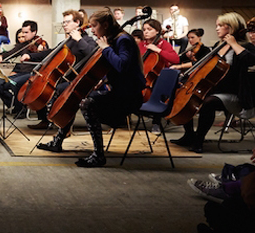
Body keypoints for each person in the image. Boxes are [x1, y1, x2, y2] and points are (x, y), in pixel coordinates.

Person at [43, 9, 145, 167]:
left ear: (105, 25)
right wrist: (104, 79)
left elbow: (122, 66)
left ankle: (98, 155)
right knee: (77, 97)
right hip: (118, 90)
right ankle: (58, 140)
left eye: (94, 26)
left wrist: (105, 48)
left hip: (129, 96)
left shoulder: (123, 39)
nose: (92, 30)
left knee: (87, 103)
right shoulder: (113, 39)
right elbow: (112, 67)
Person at [171, 12, 255, 153]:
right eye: (217, 25)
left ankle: (199, 140)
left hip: (234, 92)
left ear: (232, 28)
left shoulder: (246, 46)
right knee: (186, 96)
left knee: (208, 103)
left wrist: (233, 44)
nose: (217, 29)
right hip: (217, 88)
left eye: (221, 26)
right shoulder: (218, 45)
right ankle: (189, 135)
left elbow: (250, 60)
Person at [28, 10, 95, 131]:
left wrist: (79, 39)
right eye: (63, 22)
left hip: (75, 79)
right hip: (62, 76)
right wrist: (31, 56)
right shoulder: (67, 41)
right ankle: (45, 119)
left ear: (77, 23)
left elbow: (92, 53)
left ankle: (62, 124)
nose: (64, 25)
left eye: (67, 22)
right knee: (39, 87)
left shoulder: (87, 40)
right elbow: (51, 52)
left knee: (58, 89)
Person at [0, 20, 47, 118]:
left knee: (15, 82)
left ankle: (21, 109)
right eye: (23, 32)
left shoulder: (41, 44)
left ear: (34, 32)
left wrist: (41, 50)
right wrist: (1, 56)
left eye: (26, 32)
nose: (23, 35)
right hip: (20, 73)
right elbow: (13, 52)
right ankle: (14, 105)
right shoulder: (24, 44)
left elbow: (45, 56)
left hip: (33, 73)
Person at [138, 19, 180, 133]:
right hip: (143, 76)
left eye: (149, 29)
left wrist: (158, 50)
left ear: (157, 31)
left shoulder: (163, 44)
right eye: (144, 30)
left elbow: (176, 59)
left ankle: (156, 123)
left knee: (158, 88)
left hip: (158, 77)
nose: (146, 32)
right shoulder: (141, 45)